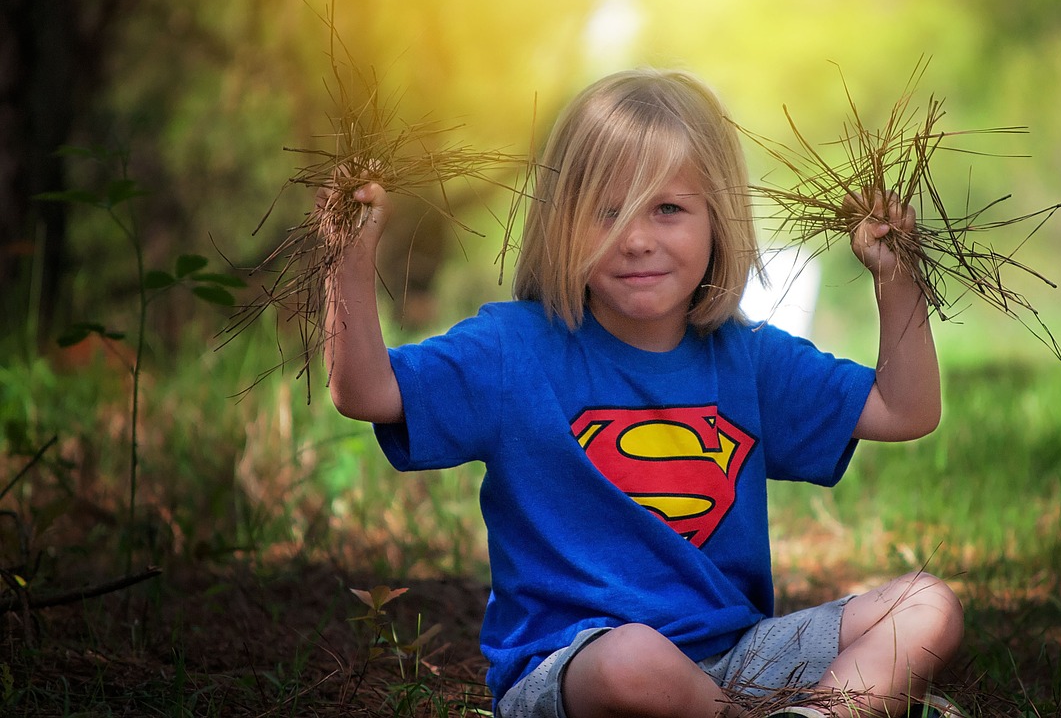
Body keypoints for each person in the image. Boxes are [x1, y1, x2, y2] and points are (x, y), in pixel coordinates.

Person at [322, 69, 965, 718]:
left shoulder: (746, 357)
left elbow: (905, 409)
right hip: (577, 667)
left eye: (668, 209)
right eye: (607, 211)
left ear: (718, 220)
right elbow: (366, 391)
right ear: (561, 222)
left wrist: (898, 282)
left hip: (737, 656)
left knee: (926, 605)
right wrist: (348, 255)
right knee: (633, 659)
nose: (636, 237)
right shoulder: (513, 350)